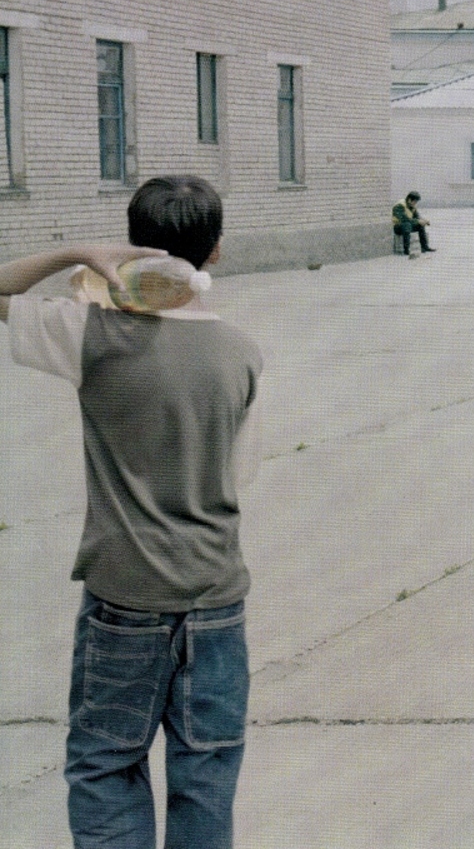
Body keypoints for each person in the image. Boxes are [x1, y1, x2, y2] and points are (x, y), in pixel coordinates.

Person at [0, 176, 262, 849]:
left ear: (132, 246)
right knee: (206, 774)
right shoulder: (241, 352)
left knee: (105, 764)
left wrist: (77, 253)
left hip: (125, 595)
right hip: (216, 595)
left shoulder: (90, 334)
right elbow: (240, 474)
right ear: (216, 250)